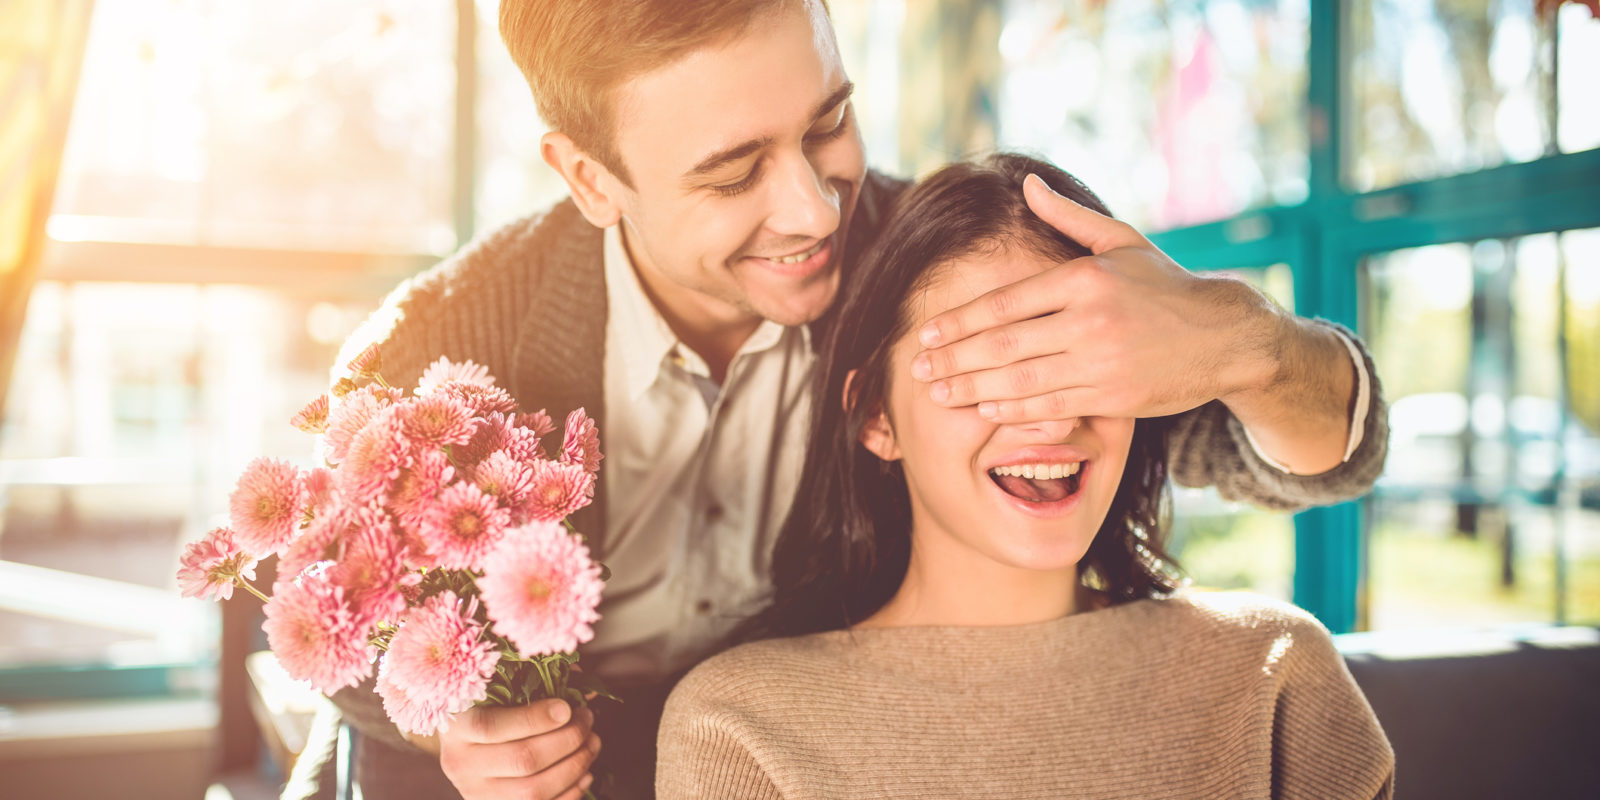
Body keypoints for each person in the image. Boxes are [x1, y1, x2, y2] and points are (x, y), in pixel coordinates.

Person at [286, 1, 1389, 798]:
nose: (815, 209)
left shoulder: (937, 266)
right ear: (588, 177)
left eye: (827, 122)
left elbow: (1306, 450)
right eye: (731, 172)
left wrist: (1248, 343)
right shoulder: (442, 348)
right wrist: (452, 727)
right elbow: (318, 621)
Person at [655, 153, 1394, 800]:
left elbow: (1335, 438)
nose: (1050, 422)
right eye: (995, 368)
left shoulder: (1271, 676)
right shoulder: (738, 725)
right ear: (876, 417)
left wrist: (1242, 331)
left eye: (1081, 366)